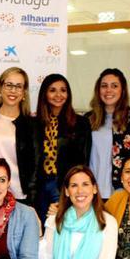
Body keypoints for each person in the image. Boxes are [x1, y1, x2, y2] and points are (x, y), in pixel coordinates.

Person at [0, 67, 40, 204]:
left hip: (18, 196)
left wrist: (32, 200)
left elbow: (35, 167)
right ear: (0, 89)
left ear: (24, 92)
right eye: (9, 85)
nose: (13, 90)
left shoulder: (31, 125)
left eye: (18, 86)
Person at [35, 73, 91, 222]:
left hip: (64, 184)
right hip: (40, 186)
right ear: (45, 94)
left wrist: (74, 187)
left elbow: (83, 160)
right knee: (41, 229)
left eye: (63, 90)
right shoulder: (34, 123)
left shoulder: (81, 123)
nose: (58, 95)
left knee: (63, 226)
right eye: (52, 90)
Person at [86, 68, 130, 199]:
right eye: (104, 86)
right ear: (98, 90)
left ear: (122, 90)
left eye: (114, 86)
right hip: (90, 192)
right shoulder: (87, 120)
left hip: (121, 192)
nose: (108, 90)